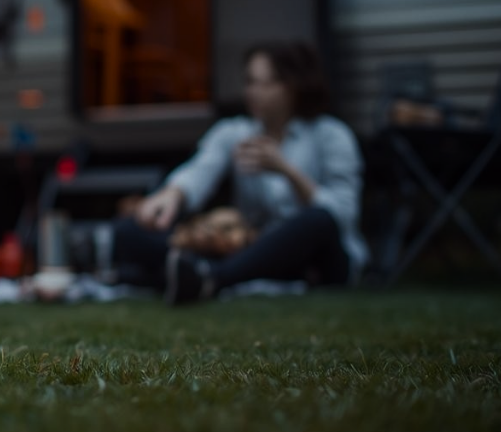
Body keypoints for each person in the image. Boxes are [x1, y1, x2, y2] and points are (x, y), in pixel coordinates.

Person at [114, 41, 368, 304]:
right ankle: (204, 275)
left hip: (318, 260)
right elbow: (202, 169)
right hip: (250, 253)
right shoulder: (235, 133)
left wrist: (286, 170)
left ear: (292, 86)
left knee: (318, 220)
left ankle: (209, 279)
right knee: (128, 230)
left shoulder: (331, 135)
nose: (252, 92)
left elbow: (341, 216)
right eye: (249, 82)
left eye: (263, 83)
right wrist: (172, 195)